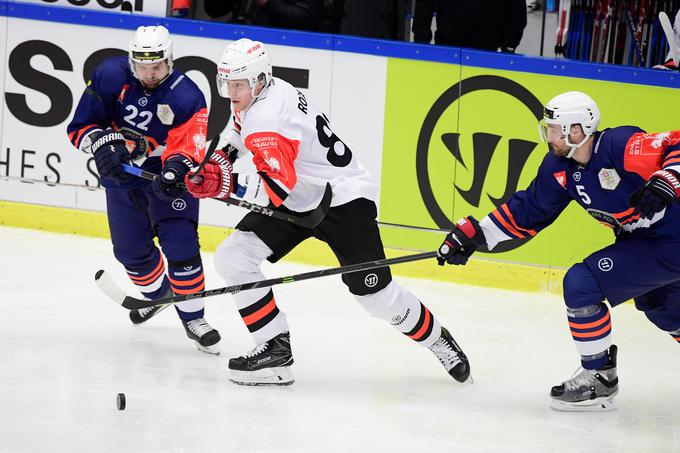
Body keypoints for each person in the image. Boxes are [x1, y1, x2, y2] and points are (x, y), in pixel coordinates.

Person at [183, 38, 471, 386]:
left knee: (377, 298)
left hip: (343, 198)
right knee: (234, 257)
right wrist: (215, 164)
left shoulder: (267, 119)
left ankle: (438, 339)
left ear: (260, 80)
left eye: (238, 84)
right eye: (226, 83)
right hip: (304, 193)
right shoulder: (263, 91)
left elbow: (277, 190)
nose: (231, 92)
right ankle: (275, 349)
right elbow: (238, 129)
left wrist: (224, 184)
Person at [436, 91, 680, 411]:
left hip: (670, 241)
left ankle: (600, 376)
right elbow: (529, 211)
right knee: (663, 310)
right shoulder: (558, 168)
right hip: (646, 244)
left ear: (577, 130)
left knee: (582, 283)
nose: (548, 135)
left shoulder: (619, 145)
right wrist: (476, 236)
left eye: (553, 128)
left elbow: (674, 143)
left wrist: (668, 178)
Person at [67, 25, 221, 354]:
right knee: (130, 252)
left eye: (157, 66)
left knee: (180, 242)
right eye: (142, 66)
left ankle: (194, 318)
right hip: (121, 172)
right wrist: (102, 143)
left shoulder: (187, 95)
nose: (150, 74)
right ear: (131, 60)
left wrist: (175, 170)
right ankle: (161, 295)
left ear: (170, 61)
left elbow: (188, 147)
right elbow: (80, 126)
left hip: (164, 173)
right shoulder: (110, 75)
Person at [411, 0, 527, 52]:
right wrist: (421, 40)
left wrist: (510, 45)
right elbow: (425, 4)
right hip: (448, 45)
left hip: (488, 48)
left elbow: (517, 9)